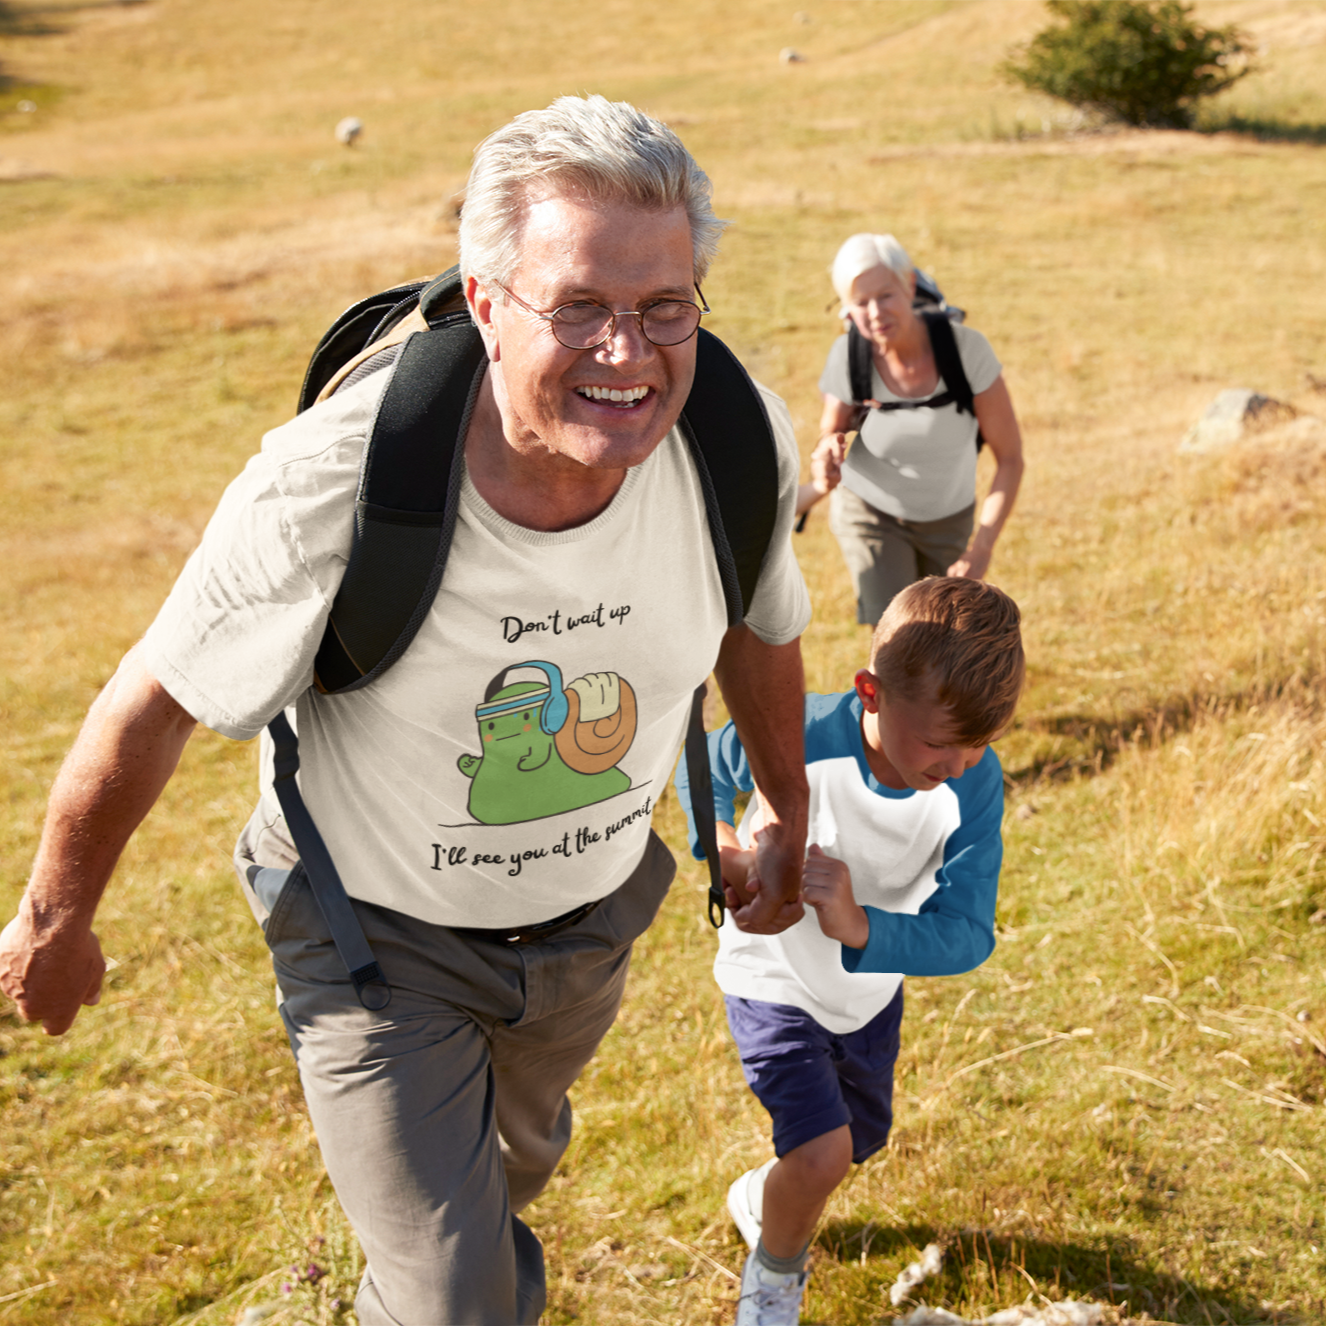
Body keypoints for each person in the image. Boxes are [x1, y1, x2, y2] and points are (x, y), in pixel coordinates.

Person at [0, 96, 813, 1326]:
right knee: (456, 1299)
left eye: (665, 307)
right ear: (487, 303)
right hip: (374, 939)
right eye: (579, 308)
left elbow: (759, 622)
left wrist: (787, 810)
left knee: (499, 1195)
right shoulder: (334, 477)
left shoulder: (736, 444)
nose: (629, 355)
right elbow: (152, 703)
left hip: (587, 926)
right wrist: (55, 920)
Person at [676, 576, 1024, 1326]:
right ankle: (772, 1281)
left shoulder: (973, 786)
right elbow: (695, 770)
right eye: (940, 742)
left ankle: (760, 1196)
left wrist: (862, 926)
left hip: (864, 997)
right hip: (770, 978)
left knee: (857, 1141)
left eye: (981, 744)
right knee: (824, 1152)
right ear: (871, 691)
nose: (961, 763)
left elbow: (968, 931)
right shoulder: (794, 733)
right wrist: (729, 851)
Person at [796, 233, 1025, 626]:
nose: (874, 313)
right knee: (898, 634)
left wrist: (982, 546)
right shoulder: (850, 355)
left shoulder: (966, 352)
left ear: (909, 285)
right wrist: (827, 455)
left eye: (885, 296)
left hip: (948, 518)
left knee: (946, 637)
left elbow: (1011, 460)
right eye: (860, 303)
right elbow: (829, 434)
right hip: (870, 511)